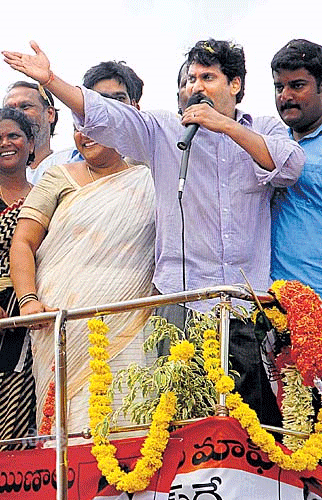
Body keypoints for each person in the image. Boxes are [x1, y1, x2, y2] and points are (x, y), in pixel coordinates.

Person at [3, 39, 304, 426]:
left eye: (208, 77)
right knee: (178, 426)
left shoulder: (263, 129)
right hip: (180, 305)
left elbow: (289, 166)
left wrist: (225, 127)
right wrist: (52, 80)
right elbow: (107, 117)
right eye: (191, 78)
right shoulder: (165, 131)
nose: (196, 86)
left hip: (243, 308)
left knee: (249, 428)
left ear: (236, 85)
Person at [9, 110, 155, 434]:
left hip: (129, 318)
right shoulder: (59, 176)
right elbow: (22, 243)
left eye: (93, 126)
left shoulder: (149, 176)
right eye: (78, 128)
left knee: (131, 422)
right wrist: (28, 301)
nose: (84, 135)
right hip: (61, 322)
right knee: (70, 427)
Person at [270, 39, 322, 297]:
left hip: (316, 300)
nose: (285, 96)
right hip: (264, 304)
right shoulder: (269, 142)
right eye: (279, 86)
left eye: (297, 85)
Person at [0, 107, 36, 449]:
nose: (6, 143)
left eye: (13, 135)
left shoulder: (47, 194)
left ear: (31, 143)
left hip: (32, 311)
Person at [2, 81, 74, 184]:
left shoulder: (70, 162)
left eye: (25, 106)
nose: (17, 114)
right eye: (10, 110)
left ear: (50, 114)